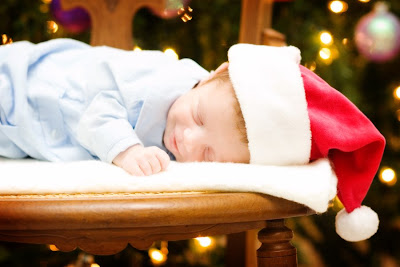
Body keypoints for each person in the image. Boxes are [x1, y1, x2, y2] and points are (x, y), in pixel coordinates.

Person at [0, 39, 386, 241]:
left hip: (22, 134)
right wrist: (127, 148)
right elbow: (96, 108)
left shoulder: (208, 109)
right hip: (20, 87)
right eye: (198, 116)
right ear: (212, 74)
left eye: (207, 153)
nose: (186, 139)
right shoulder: (156, 82)